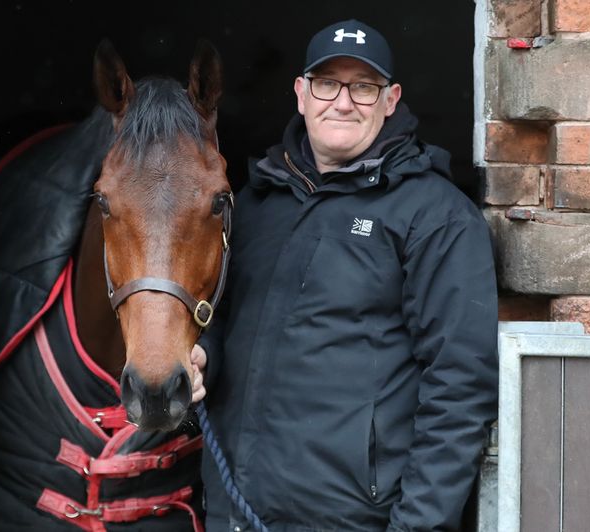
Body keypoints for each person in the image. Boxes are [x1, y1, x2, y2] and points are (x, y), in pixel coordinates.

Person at [189, 18, 499, 532]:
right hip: (234, 512)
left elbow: (459, 388)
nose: (344, 101)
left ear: (390, 99)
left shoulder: (435, 215)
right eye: (328, 84)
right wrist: (206, 354)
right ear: (301, 94)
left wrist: (417, 526)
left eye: (364, 87)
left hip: (351, 520)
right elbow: (219, 319)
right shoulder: (255, 202)